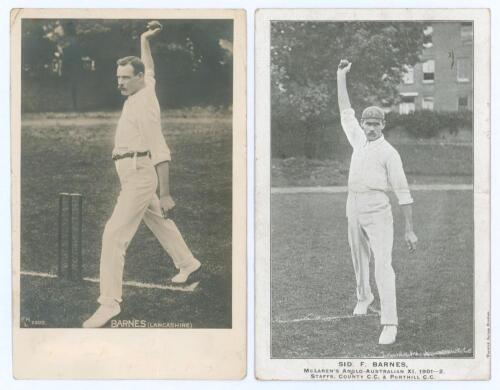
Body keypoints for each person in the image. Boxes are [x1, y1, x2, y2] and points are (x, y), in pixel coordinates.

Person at [83, 22, 201, 328]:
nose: (120, 83)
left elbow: (160, 149)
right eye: (117, 78)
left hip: (139, 174)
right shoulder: (144, 87)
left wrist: (165, 193)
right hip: (131, 172)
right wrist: (143, 39)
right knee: (159, 221)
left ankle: (109, 303)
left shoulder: (145, 103)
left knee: (113, 235)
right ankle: (188, 263)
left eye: (125, 78)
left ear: (137, 79)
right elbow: (148, 66)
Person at [336, 59, 418, 345]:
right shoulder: (358, 140)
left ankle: (390, 322)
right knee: (358, 257)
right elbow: (345, 112)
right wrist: (340, 77)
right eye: (367, 123)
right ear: (363, 124)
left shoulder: (389, 153)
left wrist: (409, 228)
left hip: (378, 208)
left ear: (383, 124)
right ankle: (364, 297)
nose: (371, 128)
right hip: (353, 204)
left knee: (383, 264)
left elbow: (403, 191)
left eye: (376, 124)